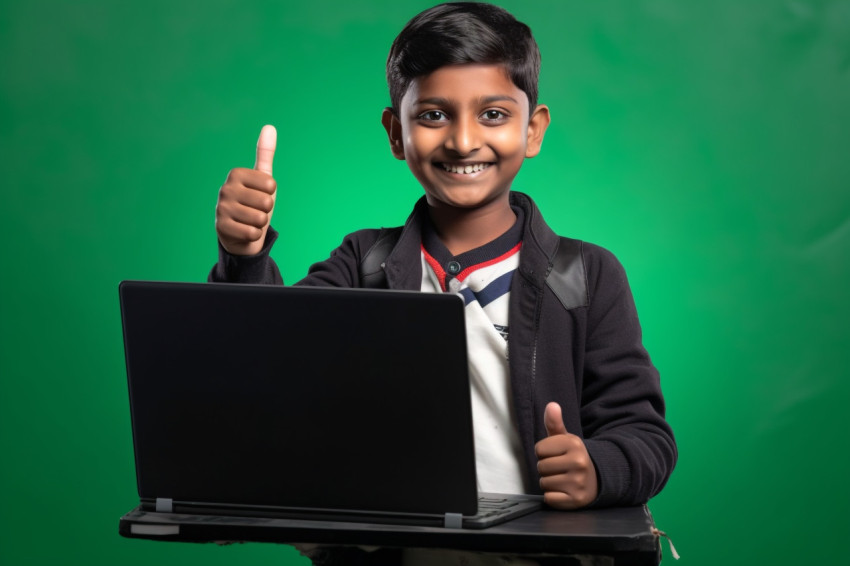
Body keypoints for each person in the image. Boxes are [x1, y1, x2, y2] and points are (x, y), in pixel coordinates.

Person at [210, 2, 676, 564]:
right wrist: (245, 253)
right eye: (433, 115)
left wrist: (597, 470)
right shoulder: (365, 263)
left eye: (494, 115)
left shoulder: (588, 275)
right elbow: (267, 366)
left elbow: (646, 438)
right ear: (395, 133)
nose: (462, 141)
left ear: (533, 130)